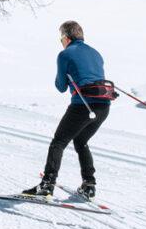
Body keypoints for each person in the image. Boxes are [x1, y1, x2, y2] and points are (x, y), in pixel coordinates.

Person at [23, 21, 111, 200]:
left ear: (66, 37)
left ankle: (47, 185)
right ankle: (89, 185)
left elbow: (61, 86)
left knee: (59, 142)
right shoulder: (96, 53)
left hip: (82, 106)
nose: (61, 42)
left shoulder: (65, 54)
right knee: (81, 141)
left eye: (60, 38)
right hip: (103, 107)